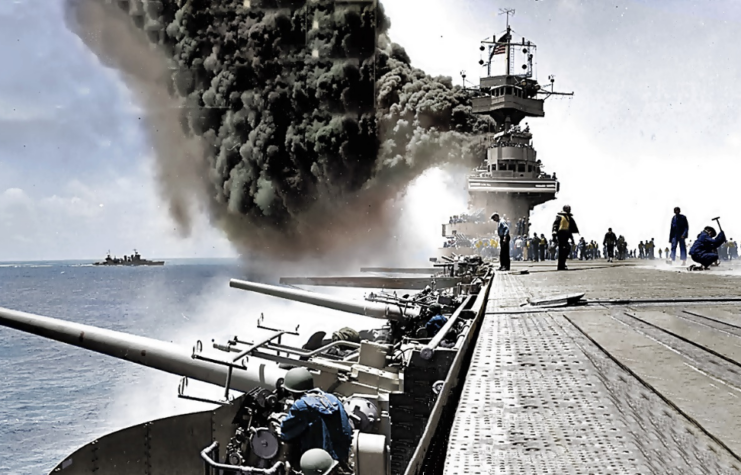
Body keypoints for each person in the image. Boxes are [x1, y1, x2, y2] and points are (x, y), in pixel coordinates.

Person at [280, 368, 353, 463]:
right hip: (342, 455)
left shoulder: (301, 406)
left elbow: (286, 432)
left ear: (292, 391)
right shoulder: (331, 398)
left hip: (318, 459)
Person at [552, 205, 580, 271]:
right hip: (561, 234)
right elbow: (555, 226)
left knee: (567, 249)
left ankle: (563, 263)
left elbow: (569, 229)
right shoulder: (560, 217)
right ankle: (561, 265)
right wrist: (554, 236)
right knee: (562, 250)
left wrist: (572, 239)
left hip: (566, 234)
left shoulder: (568, 217)